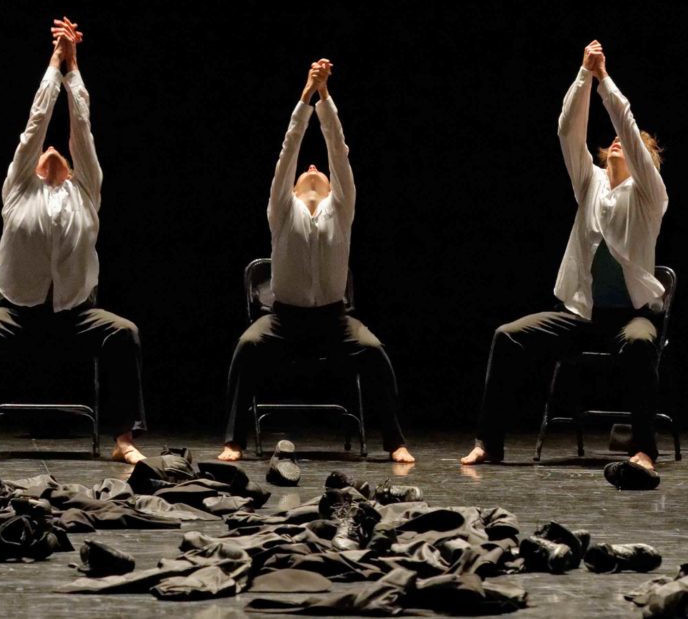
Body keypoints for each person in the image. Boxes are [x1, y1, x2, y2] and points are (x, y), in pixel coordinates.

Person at [0, 17, 147, 464]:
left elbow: (81, 130)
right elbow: (35, 126)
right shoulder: (18, 189)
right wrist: (55, 62)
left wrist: (74, 69)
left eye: (61, 151)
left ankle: (124, 439)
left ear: (70, 166)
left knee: (125, 333)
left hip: (76, 314)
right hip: (16, 311)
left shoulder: (86, 191)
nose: (53, 149)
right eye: (44, 153)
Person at [462, 41, 669, 469]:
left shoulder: (650, 195)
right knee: (507, 335)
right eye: (610, 141)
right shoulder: (589, 182)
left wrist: (606, 81)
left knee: (638, 344)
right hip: (581, 315)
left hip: (630, 316)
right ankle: (489, 443)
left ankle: (644, 449)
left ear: (643, 160)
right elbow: (567, 132)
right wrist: (583, 75)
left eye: (632, 146)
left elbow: (627, 128)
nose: (617, 142)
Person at [218, 59, 414, 464]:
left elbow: (337, 152)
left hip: (334, 320)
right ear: (289, 188)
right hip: (283, 320)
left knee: (374, 351)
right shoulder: (281, 210)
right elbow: (289, 150)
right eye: (306, 170)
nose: (312, 167)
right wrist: (305, 98)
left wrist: (325, 98)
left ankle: (395, 441)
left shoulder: (341, 209)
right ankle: (234, 441)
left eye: (319, 170)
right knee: (246, 347)